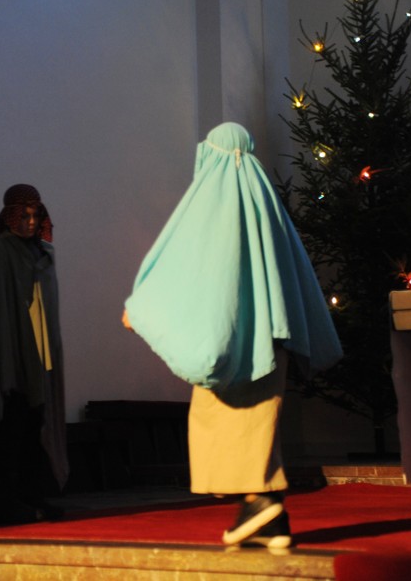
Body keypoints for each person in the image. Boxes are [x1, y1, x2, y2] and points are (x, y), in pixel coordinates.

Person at [122, 122, 342, 548]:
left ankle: (261, 504)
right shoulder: (266, 204)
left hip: (233, 341)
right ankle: (269, 517)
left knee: (228, 425)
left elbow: (186, 265)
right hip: (271, 341)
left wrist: (142, 308)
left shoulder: (212, 205)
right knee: (259, 429)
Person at [0, 184, 68, 524]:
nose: (31, 222)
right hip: (10, 361)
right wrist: (6, 360)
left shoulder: (42, 254)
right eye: (24, 216)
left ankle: (32, 496)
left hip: (39, 359)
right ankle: (2, 503)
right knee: (10, 430)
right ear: (10, 217)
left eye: (36, 216)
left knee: (36, 430)